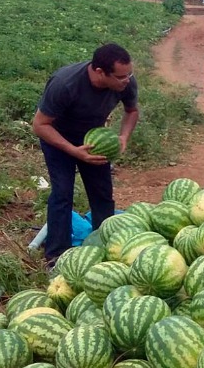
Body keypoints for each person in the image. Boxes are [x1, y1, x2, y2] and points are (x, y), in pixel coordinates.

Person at [32, 43, 140, 268]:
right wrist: (73, 151)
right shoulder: (66, 83)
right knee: (62, 193)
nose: (127, 80)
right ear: (100, 72)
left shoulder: (125, 81)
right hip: (58, 139)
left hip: (93, 140)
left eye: (129, 74)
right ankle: (56, 255)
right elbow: (40, 124)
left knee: (102, 192)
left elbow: (132, 110)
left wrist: (123, 138)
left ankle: (107, 244)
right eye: (121, 76)